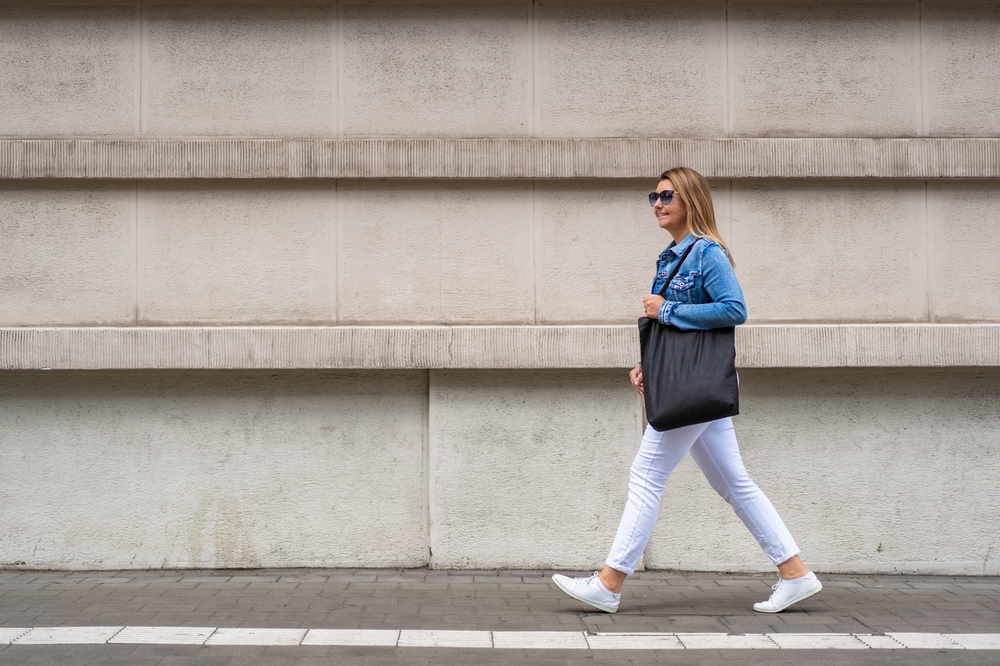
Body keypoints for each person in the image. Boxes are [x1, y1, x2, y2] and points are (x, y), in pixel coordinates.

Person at [552, 167, 821, 614]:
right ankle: (795, 573)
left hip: (697, 385)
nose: (657, 203)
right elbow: (671, 331)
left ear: (690, 199)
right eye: (653, 196)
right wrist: (648, 366)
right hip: (689, 382)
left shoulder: (706, 253)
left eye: (666, 196)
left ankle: (609, 583)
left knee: (646, 474)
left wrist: (668, 308)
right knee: (734, 483)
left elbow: (734, 309)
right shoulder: (670, 256)